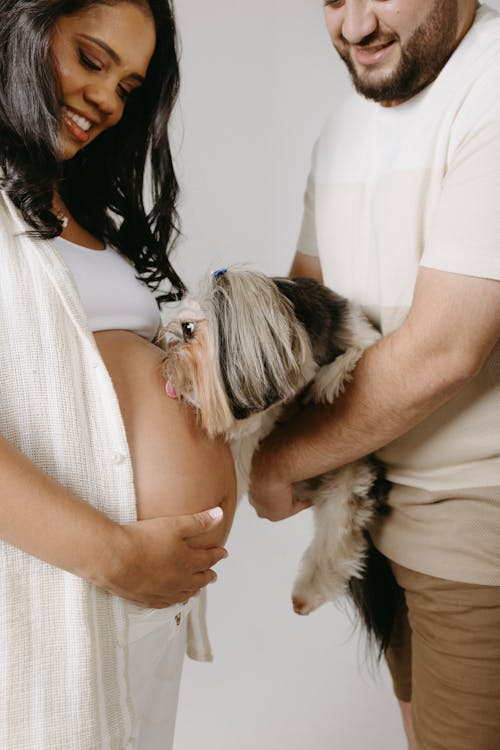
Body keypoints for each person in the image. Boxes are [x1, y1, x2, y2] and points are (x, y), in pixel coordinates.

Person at [249, 2, 500, 748]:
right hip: (381, 516)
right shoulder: (346, 127)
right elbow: (307, 308)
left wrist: (278, 462)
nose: (354, 26)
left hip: (475, 527)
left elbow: (443, 351)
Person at [0, 1, 236, 748]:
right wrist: (114, 556)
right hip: (58, 588)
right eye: (92, 60)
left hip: (142, 612)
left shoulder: (81, 200)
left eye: (129, 86)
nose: (107, 100)